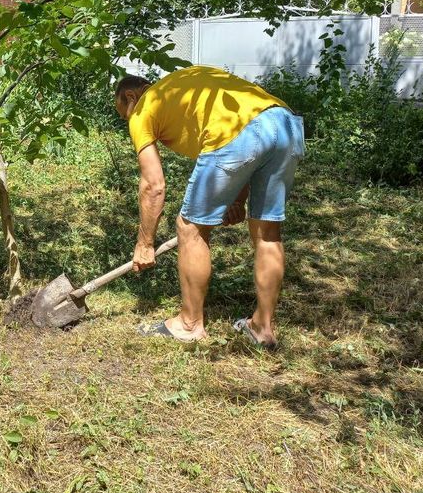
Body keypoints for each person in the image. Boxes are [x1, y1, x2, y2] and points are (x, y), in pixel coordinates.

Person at [115, 66, 305, 348]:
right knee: (267, 232)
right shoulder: (184, 81)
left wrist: (145, 243)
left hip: (237, 133)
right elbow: (248, 129)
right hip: (284, 123)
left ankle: (189, 324)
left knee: (190, 228)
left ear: (131, 96)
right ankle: (263, 328)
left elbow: (153, 185)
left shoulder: (144, 107)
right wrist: (237, 200)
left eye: (124, 114)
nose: (128, 121)